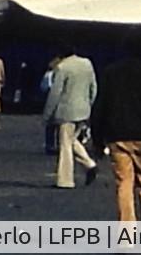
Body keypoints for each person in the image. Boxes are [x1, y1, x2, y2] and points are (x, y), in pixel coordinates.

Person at [91, 36, 141, 222]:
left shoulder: (111, 73)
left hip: (118, 136)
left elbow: (101, 107)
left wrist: (97, 140)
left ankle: (127, 233)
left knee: (124, 185)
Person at [44, 44, 99, 189]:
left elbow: (55, 93)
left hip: (66, 111)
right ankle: (90, 165)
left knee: (65, 145)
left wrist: (48, 114)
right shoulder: (87, 64)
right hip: (83, 110)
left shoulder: (62, 67)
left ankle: (65, 180)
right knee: (72, 140)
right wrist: (89, 104)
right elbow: (93, 88)